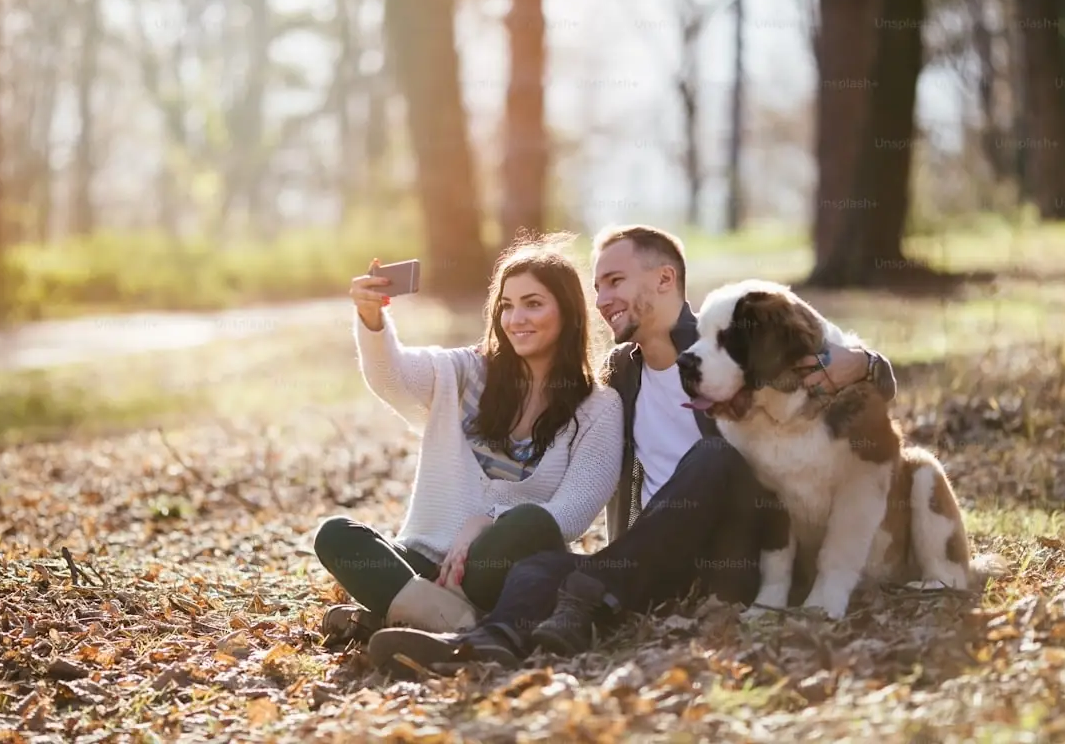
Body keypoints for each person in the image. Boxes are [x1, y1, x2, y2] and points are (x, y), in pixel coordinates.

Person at [366, 224, 899, 674]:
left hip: (737, 552)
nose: (602, 301)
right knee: (540, 568)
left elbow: (852, 372)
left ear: (665, 278)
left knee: (714, 458)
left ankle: (590, 592)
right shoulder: (621, 373)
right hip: (647, 558)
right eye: (597, 287)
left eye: (615, 282)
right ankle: (484, 645)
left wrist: (870, 363)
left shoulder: (732, 344)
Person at [313, 233, 624, 647]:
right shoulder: (464, 372)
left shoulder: (598, 406)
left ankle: (405, 614)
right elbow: (394, 377)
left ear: (568, 312)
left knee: (533, 521)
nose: (516, 319)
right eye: (507, 306)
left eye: (533, 304)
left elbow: (572, 512)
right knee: (336, 535)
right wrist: (372, 320)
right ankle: (462, 627)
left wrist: (487, 522)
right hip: (423, 562)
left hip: (501, 568)